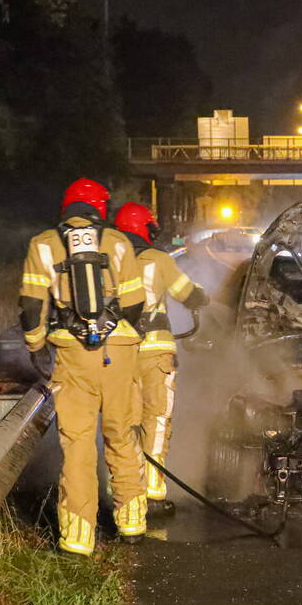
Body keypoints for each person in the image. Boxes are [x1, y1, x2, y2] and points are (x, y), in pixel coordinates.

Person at [19, 178, 148, 555]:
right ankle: (133, 524)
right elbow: (136, 303)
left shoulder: (42, 244)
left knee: (76, 445)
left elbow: (30, 305)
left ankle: (78, 539)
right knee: (122, 435)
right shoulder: (120, 242)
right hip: (119, 353)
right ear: (101, 209)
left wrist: (36, 345)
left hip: (72, 355)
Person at [114, 202, 209, 516]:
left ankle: (127, 495)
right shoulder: (158, 260)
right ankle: (153, 494)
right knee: (155, 421)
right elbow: (188, 294)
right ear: (146, 229)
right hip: (155, 355)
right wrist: (202, 295)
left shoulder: (108, 260)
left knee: (125, 423)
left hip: (118, 355)